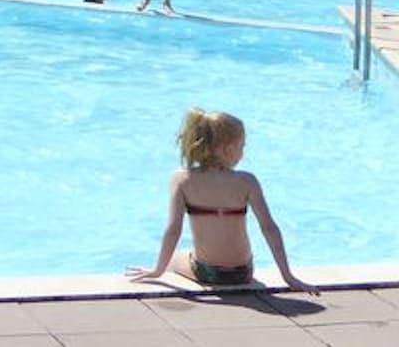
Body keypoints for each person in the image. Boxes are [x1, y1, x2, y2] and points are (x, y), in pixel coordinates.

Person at [126, 108, 318, 294]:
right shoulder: (247, 181)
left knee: (176, 259)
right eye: (242, 147)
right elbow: (269, 228)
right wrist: (288, 276)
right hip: (243, 272)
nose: (243, 153)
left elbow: (173, 230)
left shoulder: (182, 179)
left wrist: (158, 270)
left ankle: (163, 271)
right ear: (229, 149)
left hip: (207, 272)